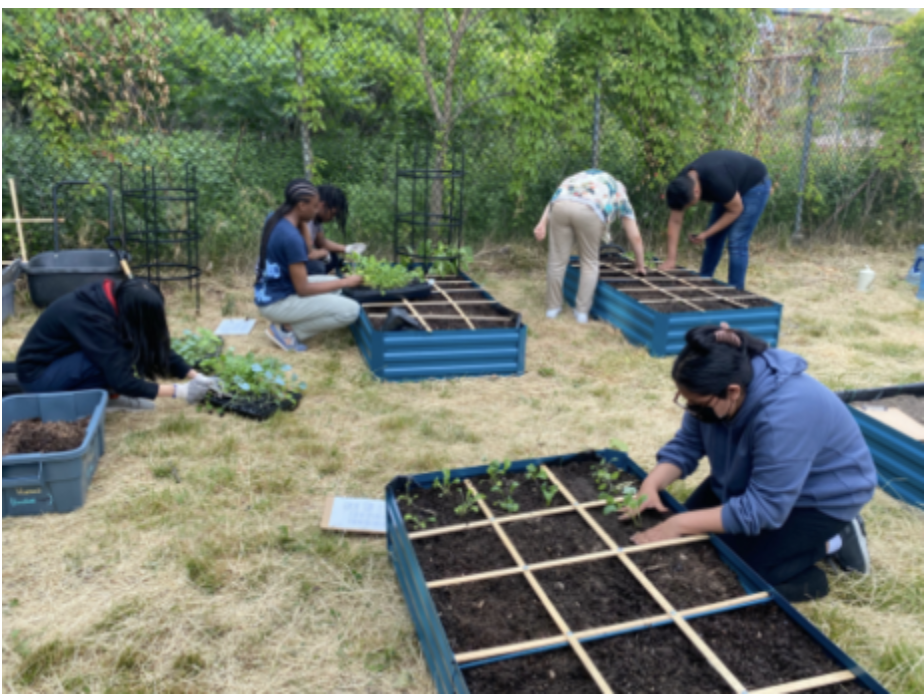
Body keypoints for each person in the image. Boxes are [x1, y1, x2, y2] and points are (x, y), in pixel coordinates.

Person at [627, 323, 876, 603]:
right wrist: (653, 483)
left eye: (697, 404)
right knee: (694, 547)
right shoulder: (715, 386)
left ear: (732, 392)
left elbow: (765, 508)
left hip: (815, 499)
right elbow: (687, 444)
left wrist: (680, 522)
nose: (692, 409)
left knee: (729, 574)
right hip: (752, 480)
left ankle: (831, 542)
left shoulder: (784, 415)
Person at [15, 278, 219, 412]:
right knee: (111, 358)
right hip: (38, 379)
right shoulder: (91, 318)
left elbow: (151, 342)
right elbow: (121, 378)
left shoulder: (116, 296)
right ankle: (105, 400)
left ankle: (106, 396)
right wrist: (180, 391)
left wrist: (197, 377)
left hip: (61, 362)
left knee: (125, 345)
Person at [255, 179, 363, 352]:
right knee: (351, 310)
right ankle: (287, 333)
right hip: (276, 302)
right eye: (313, 206)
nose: (316, 210)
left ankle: (288, 324)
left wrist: (303, 222)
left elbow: (307, 248)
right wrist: (346, 282)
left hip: (269, 291)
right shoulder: (291, 237)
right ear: (301, 205)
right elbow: (303, 289)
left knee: (333, 286)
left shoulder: (277, 219)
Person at [534, 169, 647, 324]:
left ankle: (552, 309)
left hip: (560, 206)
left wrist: (542, 222)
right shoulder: (618, 191)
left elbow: (557, 196)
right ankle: (581, 313)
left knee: (557, 261)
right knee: (589, 262)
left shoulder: (581, 177)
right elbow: (635, 237)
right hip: (589, 210)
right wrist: (640, 265)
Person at [663, 149, 772, 291]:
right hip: (731, 184)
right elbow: (675, 221)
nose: (686, 208)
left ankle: (735, 292)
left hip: (754, 185)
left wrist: (706, 233)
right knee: (714, 239)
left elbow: (735, 210)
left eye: (688, 205)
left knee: (736, 241)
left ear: (696, 192)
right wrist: (671, 260)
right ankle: (703, 282)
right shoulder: (681, 185)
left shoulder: (718, 183)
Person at [303, 184, 351, 276]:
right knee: (317, 267)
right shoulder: (305, 219)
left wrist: (347, 249)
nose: (332, 218)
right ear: (322, 205)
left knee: (333, 257)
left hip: (305, 255)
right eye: (332, 214)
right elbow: (305, 254)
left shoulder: (317, 219)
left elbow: (320, 241)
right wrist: (323, 253)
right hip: (294, 261)